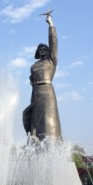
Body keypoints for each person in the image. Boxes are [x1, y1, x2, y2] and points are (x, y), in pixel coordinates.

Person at [22, 13, 62, 141]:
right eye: (40, 50)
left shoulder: (51, 60)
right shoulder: (34, 65)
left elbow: (54, 44)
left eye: (44, 49)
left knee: (49, 121)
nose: (42, 51)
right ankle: (34, 143)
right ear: (37, 53)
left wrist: (51, 25)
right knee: (32, 119)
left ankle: (52, 146)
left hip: (47, 92)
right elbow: (31, 79)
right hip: (35, 93)